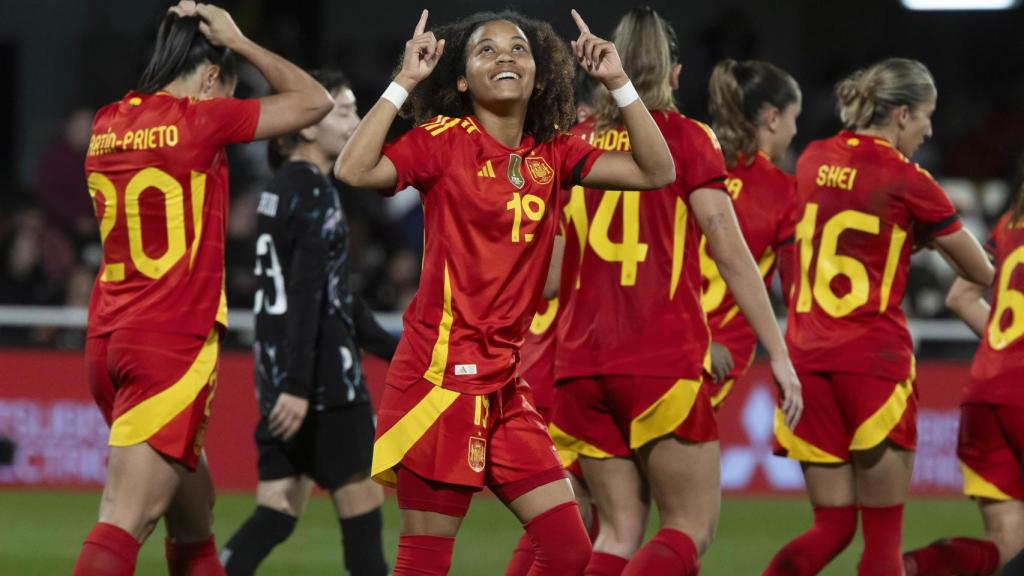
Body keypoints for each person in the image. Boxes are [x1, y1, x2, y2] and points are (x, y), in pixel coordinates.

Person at [335, 8, 675, 576]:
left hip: (505, 383)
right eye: (486, 51)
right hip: (440, 378)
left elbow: (657, 171)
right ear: (463, 80)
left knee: (568, 551)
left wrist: (618, 80)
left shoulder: (555, 151)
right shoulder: (442, 142)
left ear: (540, 76)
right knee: (424, 563)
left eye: (518, 49)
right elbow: (352, 169)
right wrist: (405, 80)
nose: (505, 58)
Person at [75, 1, 332, 574]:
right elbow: (315, 101)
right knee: (124, 518)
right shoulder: (200, 119)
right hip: (170, 342)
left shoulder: (105, 123)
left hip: (107, 342)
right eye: (226, 85)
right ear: (212, 76)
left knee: (195, 518)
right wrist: (240, 40)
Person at [550, 7, 802, 576]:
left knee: (616, 531)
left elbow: (551, 266)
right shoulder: (687, 138)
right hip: (658, 357)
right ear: (674, 73)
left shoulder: (575, 141)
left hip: (581, 364)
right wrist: (779, 353)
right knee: (689, 527)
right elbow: (729, 249)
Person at [766, 58, 994, 576]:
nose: (929, 130)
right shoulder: (909, 179)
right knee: (883, 539)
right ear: (902, 115)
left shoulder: (812, 158)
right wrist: (927, 236)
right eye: (926, 117)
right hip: (873, 361)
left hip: (806, 359)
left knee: (832, 526)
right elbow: (979, 268)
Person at [220, 70, 396, 576]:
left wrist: (395, 350)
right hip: (323, 386)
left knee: (275, 515)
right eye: (343, 110)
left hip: (280, 379)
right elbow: (307, 296)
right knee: (362, 524)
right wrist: (300, 385)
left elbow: (331, 294)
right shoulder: (316, 193)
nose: (354, 121)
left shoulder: (279, 190)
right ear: (307, 124)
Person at [901, 156, 1024, 575]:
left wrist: (1005, 347)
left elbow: (959, 297)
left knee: (1007, 544)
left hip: (984, 392)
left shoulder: (1010, 222)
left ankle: (911, 567)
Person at [702, 59, 802, 405]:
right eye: (794, 118)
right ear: (773, 118)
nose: (795, 131)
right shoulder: (783, 191)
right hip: (712, 355)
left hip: (656, 344)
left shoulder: (692, 164)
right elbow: (797, 293)